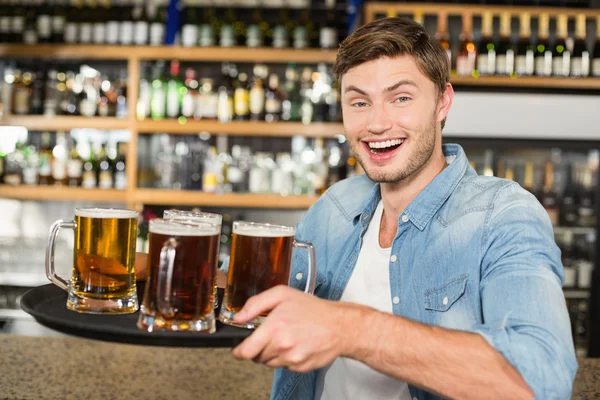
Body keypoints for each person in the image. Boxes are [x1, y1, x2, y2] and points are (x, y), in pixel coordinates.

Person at [227, 17, 578, 400]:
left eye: (401, 98)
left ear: (442, 102)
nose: (377, 123)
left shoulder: (503, 214)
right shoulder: (333, 208)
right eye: (359, 102)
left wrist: (353, 329)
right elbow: (258, 299)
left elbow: (542, 382)